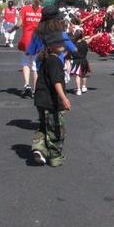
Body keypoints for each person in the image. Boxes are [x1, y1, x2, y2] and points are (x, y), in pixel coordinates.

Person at [31, 31, 72, 167]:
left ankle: (39, 148)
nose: (62, 44)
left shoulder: (46, 59)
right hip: (50, 100)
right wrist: (64, 98)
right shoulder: (55, 61)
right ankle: (55, 157)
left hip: (41, 99)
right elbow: (57, 82)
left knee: (44, 125)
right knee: (56, 128)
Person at [16, 0, 43, 97]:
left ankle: (27, 84)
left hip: (26, 39)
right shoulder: (42, 11)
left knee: (26, 63)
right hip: (38, 39)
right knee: (35, 65)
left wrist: (13, 28)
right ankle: (36, 90)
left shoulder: (25, 9)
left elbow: (19, 24)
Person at [69, 28, 91, 95]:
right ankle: (84, 86)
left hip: (76, 61)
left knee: (78, 76)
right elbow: (91, 39)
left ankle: (78, 90)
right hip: (84, 60)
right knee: (84, 74)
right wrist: (96, 35)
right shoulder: (85, 42)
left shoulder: (73, 43)